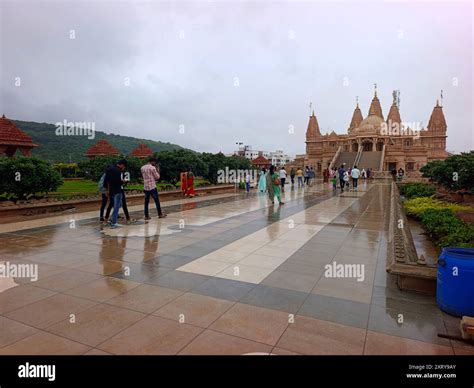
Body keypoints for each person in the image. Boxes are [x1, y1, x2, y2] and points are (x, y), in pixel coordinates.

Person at [103, 159, 127, 228]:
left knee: (118, 204)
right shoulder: (118, 171)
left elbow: (106, 181)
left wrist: (106, 190)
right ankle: (113, 222)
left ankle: (112, 219)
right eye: (124, 167)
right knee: (117, 206)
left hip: (111, 191)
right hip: (117, 190)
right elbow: (118, 182)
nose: (123, 168)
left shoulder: (109, 169)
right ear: (122, 165)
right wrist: (123, 181)